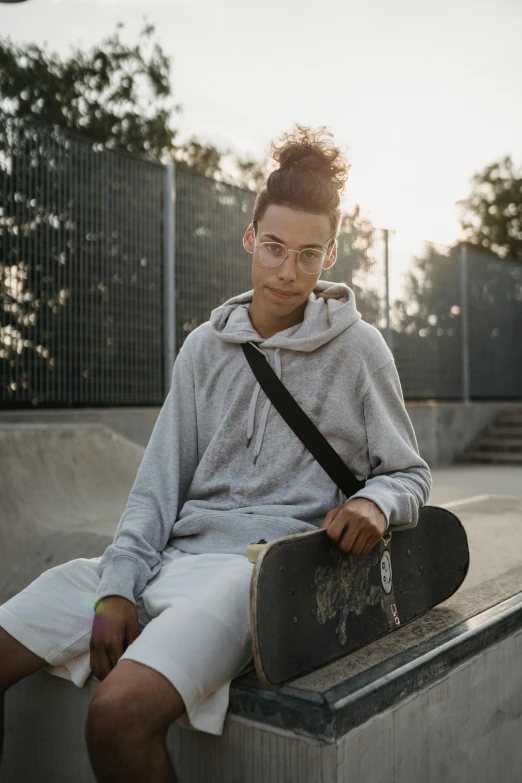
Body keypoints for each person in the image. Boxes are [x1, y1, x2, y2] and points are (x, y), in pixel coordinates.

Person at [0, 125, 431, 783]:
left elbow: (410, 472)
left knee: (115, 718)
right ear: (250, 238)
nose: (288, 271)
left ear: (332, 255)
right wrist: (118, 584)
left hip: (252, 578)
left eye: (309, 254)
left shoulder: (358, 349)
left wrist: (377, 499)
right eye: (276, 247)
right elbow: (156, 486)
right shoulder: (206, 346)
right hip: (163, 560)